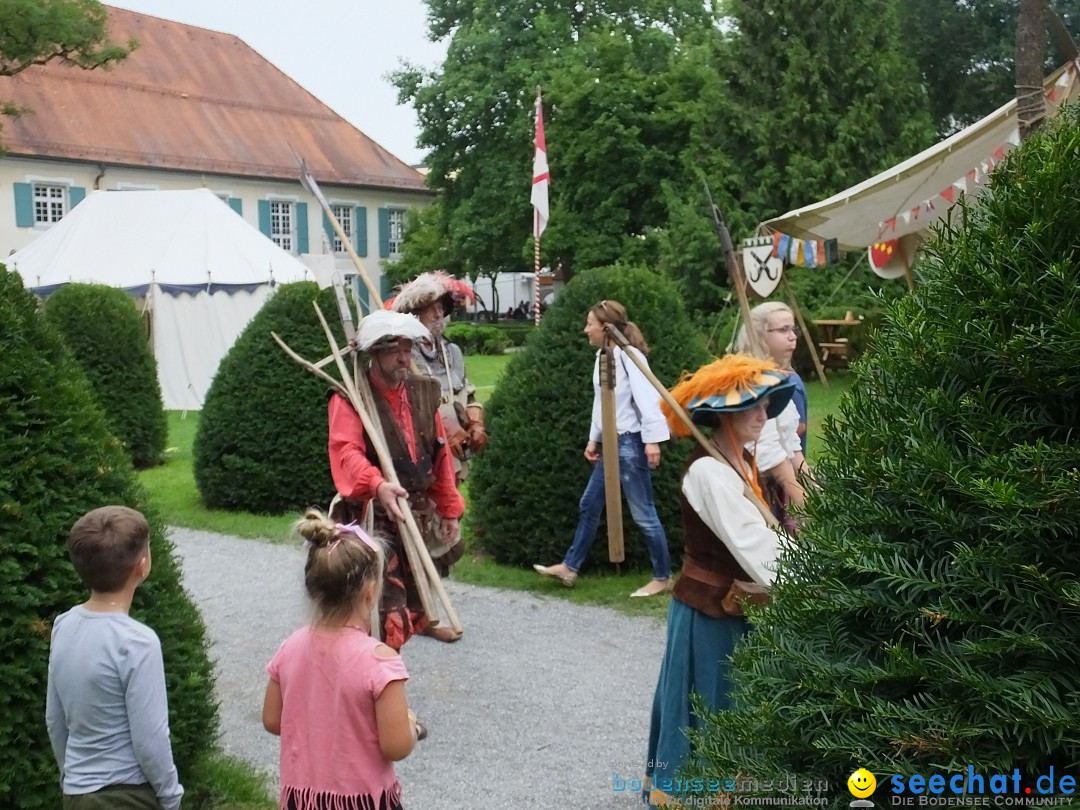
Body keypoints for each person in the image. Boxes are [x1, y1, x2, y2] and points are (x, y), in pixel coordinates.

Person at [644, 354, 795, 806]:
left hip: (740, 606)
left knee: (738, 703)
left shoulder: (742, 464)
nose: (763, 415)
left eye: (765, 405)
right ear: (724, 416)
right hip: (710, 613)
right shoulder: (708, 472)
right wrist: (813, 575)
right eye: (752, 407)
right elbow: (753, 545)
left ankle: (734, 791)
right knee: (710, 703)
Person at [263, 510, 420, 810]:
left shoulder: (290, 647)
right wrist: (411, 726)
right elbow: (396, 745)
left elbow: (272, 719)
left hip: (303, 800)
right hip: (363, 801)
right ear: (370, 592)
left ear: (312, 589)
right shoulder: (380, 662)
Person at [328, 309, 465, 646]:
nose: (404, 358)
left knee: (419, 588)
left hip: (414, 508)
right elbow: (346, 451)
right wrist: (377, 484)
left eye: (407, 349)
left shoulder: (423, 391)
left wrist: (449, 507)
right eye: (394, 350)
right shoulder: (350, 396)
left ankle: (420, 625)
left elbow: (439, 452)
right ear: (374, 353)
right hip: (372, 514)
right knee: (383, 607)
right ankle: (380, 686)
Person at [46, 506, 183, 810]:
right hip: (126, 795)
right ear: (142, 566)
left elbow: (55, 720)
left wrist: (71, 777)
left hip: (77, 793)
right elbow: (150, 739)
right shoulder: (138, 642)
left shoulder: (63, 625)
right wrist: (171, 796)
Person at [534, 299, 674, 598]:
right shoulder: (604, 356)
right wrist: (593, 438)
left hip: (630, 444)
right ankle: (570, 568)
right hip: (611, 444)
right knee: (589, 504)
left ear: (606, 328)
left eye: (590, 324)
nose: (586, 329)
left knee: (643, 514)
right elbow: (604, 402)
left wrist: (652, 441)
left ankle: (662, 577)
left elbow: (648, 398)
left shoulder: (629, 355)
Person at [390, 272, 488, 485]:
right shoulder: (404, 356)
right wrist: (445, 427)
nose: (438, 314)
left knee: (453, 511)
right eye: (430, 309)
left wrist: (476, 423)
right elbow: (405, 406)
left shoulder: (451, 351)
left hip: (455, 455)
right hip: (420, 454)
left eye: (440, 308)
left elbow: (468, 394)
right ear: (414, 315)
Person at [732, 301, 810, 522]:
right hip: (756, 486)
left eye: (793, 329)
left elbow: (790, 440)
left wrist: (813, 486)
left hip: (779, 485)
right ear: (759, 335)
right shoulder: (750, 380)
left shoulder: (774, 377)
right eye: (783, 330)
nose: (792, 336)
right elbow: (767, 450)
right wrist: (803, 500)